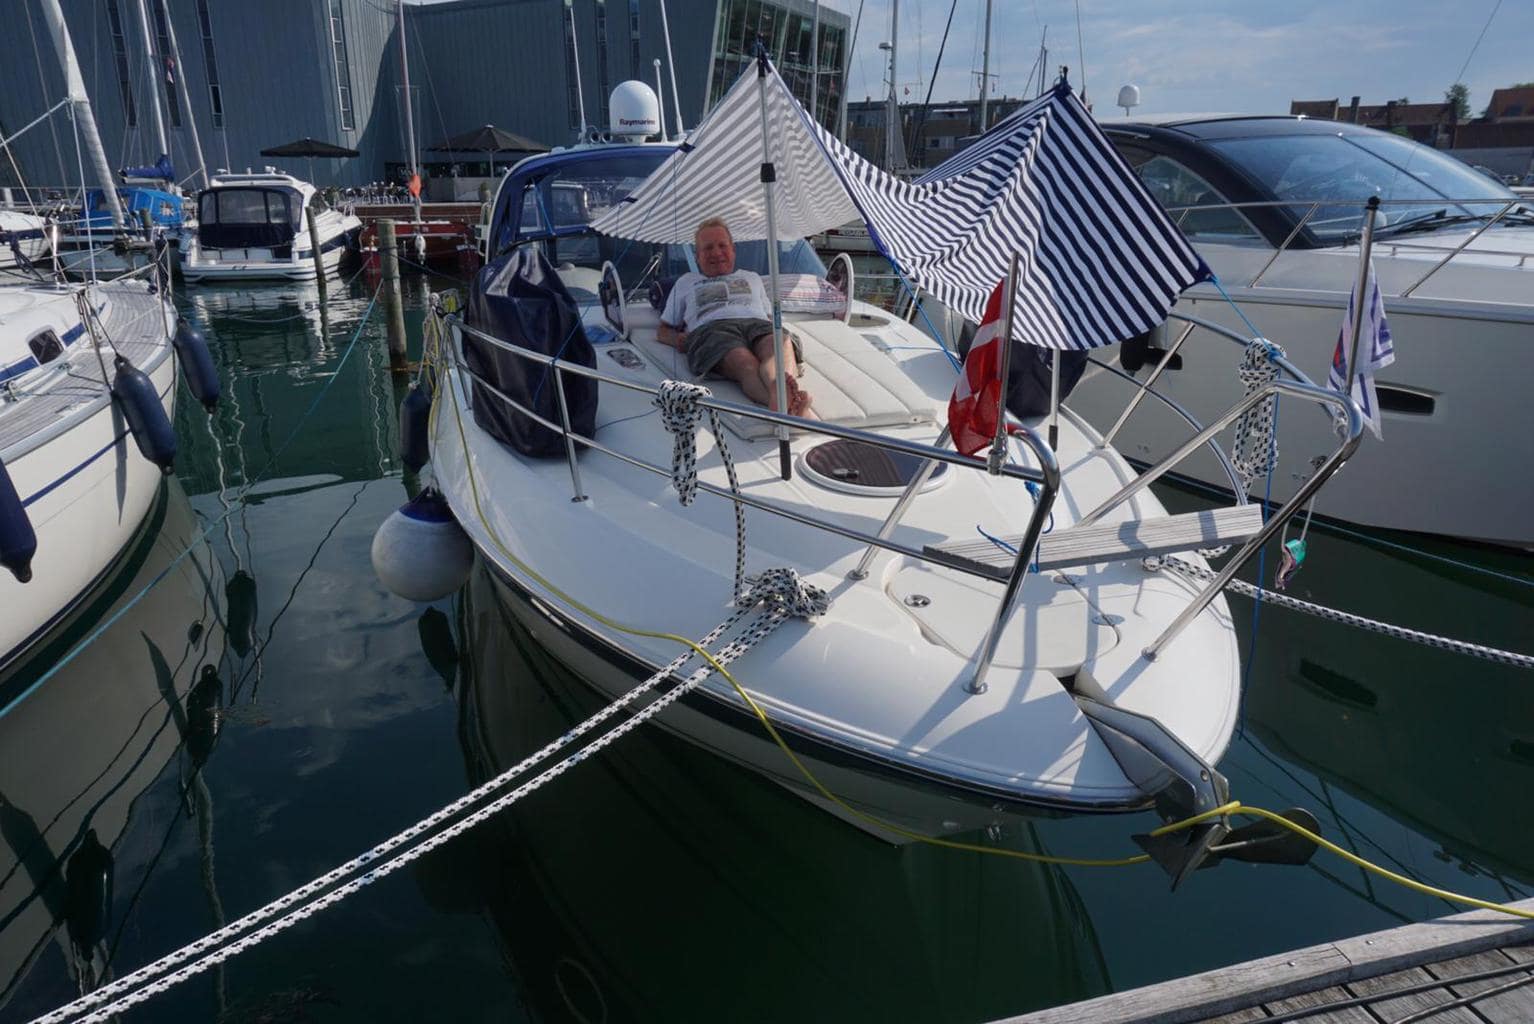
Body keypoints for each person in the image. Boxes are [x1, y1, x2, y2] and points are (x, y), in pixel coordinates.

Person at [657, 218, 813, 416]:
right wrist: (678, 339)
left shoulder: (752, 277)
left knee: (778, 343)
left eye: (722, 246)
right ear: (697, 257)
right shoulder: (686, 282)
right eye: (708, 248)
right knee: (745, 362)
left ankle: (779, 389)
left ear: (733, 250)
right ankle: (786, 403)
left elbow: (768, 318)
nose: (716, 253)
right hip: (714, 329)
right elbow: (663, 330)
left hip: (757, 324)